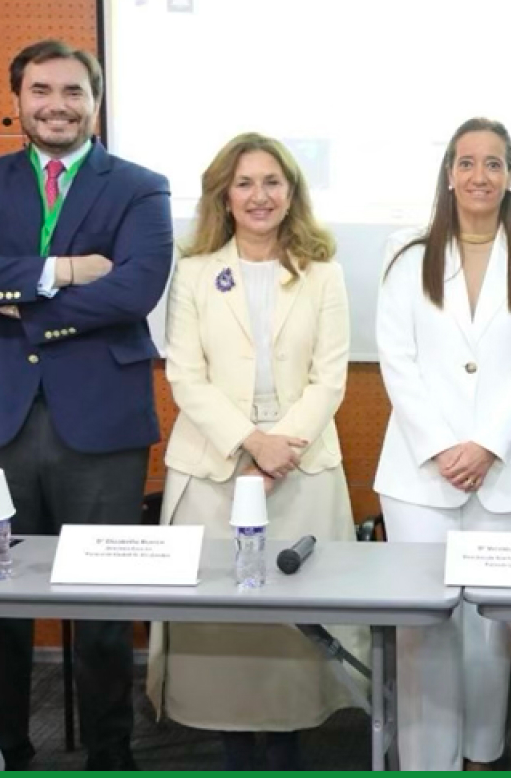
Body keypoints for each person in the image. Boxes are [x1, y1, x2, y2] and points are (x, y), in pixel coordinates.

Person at [0, 39, 173, 770]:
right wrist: (64, 271)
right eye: (41, 90)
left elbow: (134, 289)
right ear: (19, 100)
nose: (57, 105)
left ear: (96, 102)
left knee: (102, 602)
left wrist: (9, 295)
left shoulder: (140, 186)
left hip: (99, 419)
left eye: (73, 91)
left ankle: (110, 752)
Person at [145, 133, 367, 770]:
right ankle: (234, 749)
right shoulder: (194, 272)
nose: (259, 195)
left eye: (272, 182)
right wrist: (251, 444)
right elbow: (186, 376)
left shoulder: (323, 273)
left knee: (295, 628)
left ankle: (290, 745)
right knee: (223, 626)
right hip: (215, 466)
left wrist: (278, 449)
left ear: (292, 193)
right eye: (244, 183)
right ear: (224, 195)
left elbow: (330, 378)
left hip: (300, 466)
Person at [375, 117, 511, 771]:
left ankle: (482, 754)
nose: (480, 175)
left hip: (509, 472)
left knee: (490, 627)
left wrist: (485, 446)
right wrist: (442, 446)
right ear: (449, 175)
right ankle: (428, 761)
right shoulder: (406, 254)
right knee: (423, 625)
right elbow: (396, 359)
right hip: (419, 474)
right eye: (467, 162)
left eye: (494, 163)